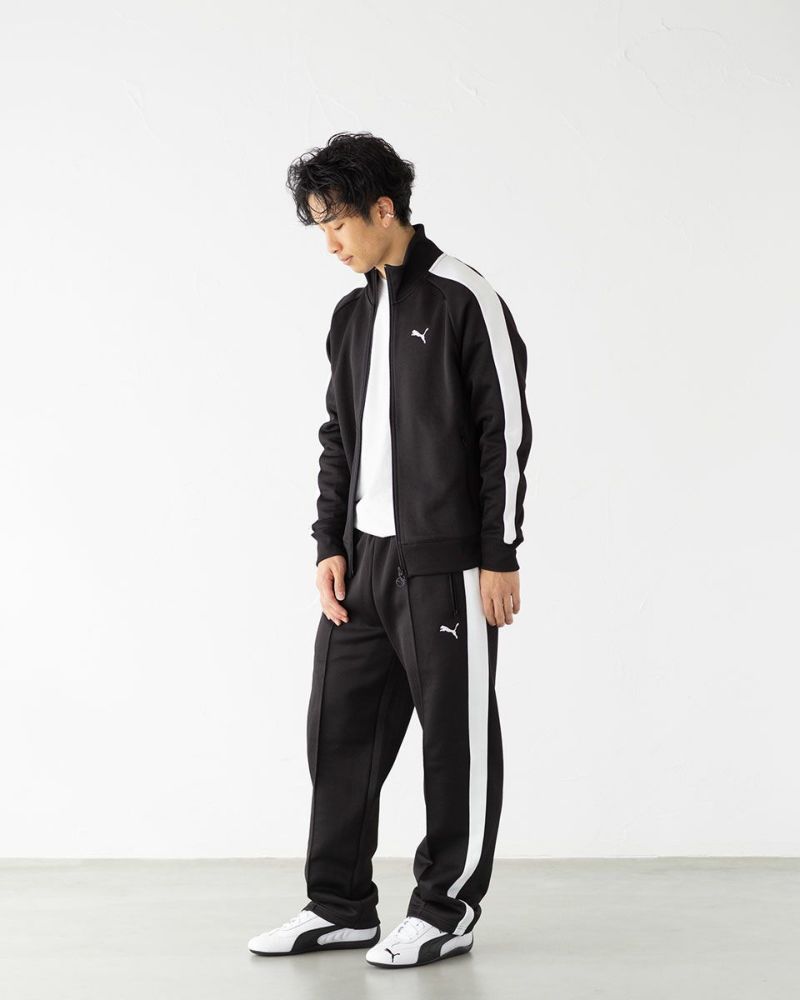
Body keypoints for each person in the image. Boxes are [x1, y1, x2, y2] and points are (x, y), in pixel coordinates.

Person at [248, 132, 533, 968]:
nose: (330, 245)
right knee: (337, 732)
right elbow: (339, 437)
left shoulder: (462, 297)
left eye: (336, 224)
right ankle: (338, 904)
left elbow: (506, 430)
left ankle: (446, 910)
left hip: (447, 565)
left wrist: (500, 553)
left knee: (454, 740)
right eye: (319, 228)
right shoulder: (351, 316)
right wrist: (327, 543)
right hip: (363, 563)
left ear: (383, 209)